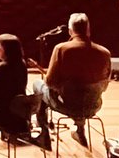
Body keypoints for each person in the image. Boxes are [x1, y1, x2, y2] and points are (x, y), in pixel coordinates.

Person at [34, 12, 112, 149]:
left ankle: (44, 133)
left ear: (70, 30)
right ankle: (80, 131)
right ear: (88, 29)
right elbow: (104, 85)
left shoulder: (61, 49)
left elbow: (50, 82)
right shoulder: (105, 53)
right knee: (81, 94)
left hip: (66, 105)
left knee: (38, 85)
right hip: (93, 105)